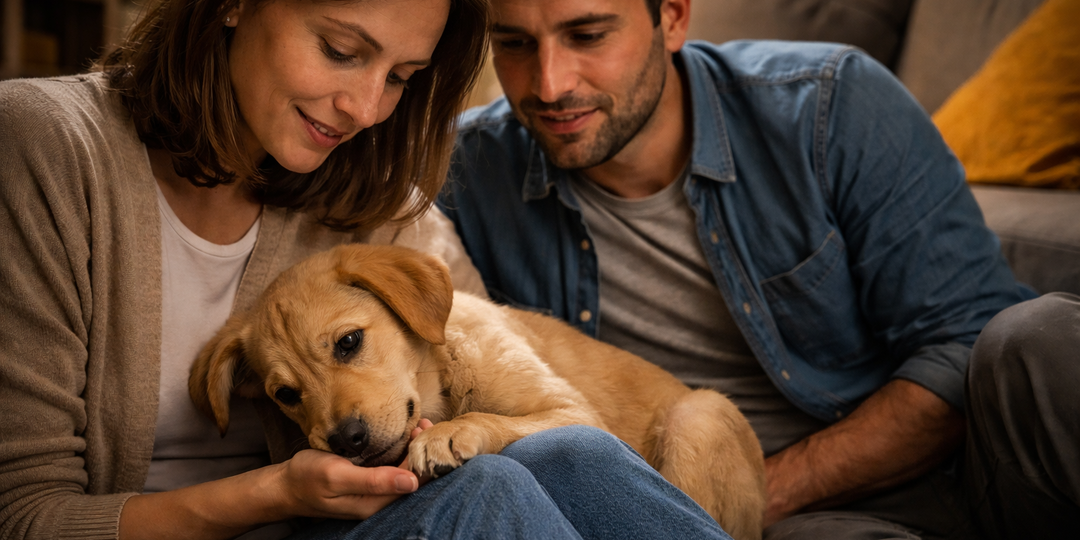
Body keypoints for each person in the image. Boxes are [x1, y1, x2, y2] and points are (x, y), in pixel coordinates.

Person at [0, 1, 733, 539]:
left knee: (566, 450)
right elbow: (24, 514)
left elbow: (484, 367)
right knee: (491, 493)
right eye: (341, 49)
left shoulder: (378, 202)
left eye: (401, 77)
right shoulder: (44, 147)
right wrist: (278, 493)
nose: (364, 108)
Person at [437, 0, 1079, 537]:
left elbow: (964, 343)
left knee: (1041, 335)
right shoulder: (470, 169)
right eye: (514, 43)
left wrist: (758, 488)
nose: (549, 85)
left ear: (673, 17)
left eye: (588, 35)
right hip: (793, 524)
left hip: (958, 467)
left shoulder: (832, 105)